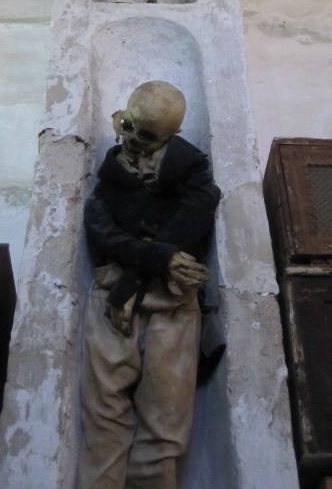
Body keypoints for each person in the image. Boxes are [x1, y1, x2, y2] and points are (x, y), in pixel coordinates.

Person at [78, 81, 221, 489]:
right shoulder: (112, 175)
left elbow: (196, 217)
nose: (131, 141)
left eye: (145, 135)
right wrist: (158, 257)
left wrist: (149, 265)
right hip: (112, 297)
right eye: (127, 126)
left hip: (171, 304)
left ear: (171, 136)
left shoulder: (193, 178)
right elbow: (100, 228)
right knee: (103, 417)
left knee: (166, 424)